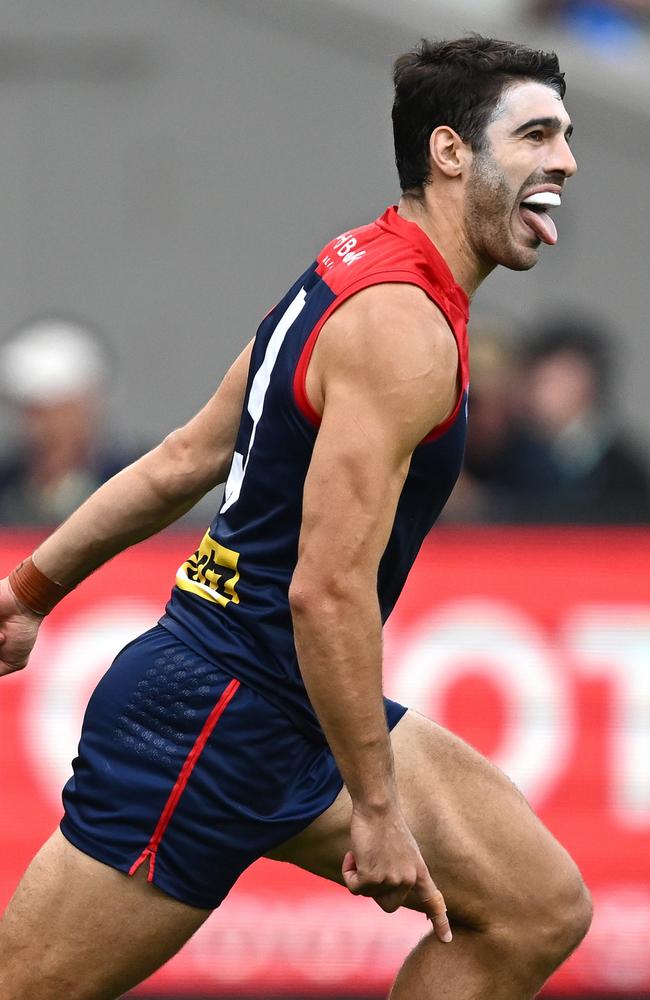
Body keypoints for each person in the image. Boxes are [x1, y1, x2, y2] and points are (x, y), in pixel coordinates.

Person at [0, 35, 591, 1000]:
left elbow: (188, 457)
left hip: (288, 702)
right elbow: (324, 590)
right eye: (536, 135)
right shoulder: (401, 328)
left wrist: (28, 590)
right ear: (450, 153)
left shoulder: (355, 259)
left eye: (566, 135)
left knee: (539, 908)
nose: (566, 160)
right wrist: (376, 805)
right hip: (216, 718)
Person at [0, 317, 139, 526]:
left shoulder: (132, 479)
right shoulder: (7, 483)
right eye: (28, 407)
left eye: (48, 407)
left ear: (85, 406)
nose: (36, 422)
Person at [522, 317, 650, 523]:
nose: (542, 392)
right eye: (540, 380)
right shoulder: (517, 455)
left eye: (557, 380)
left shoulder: (621, 466)